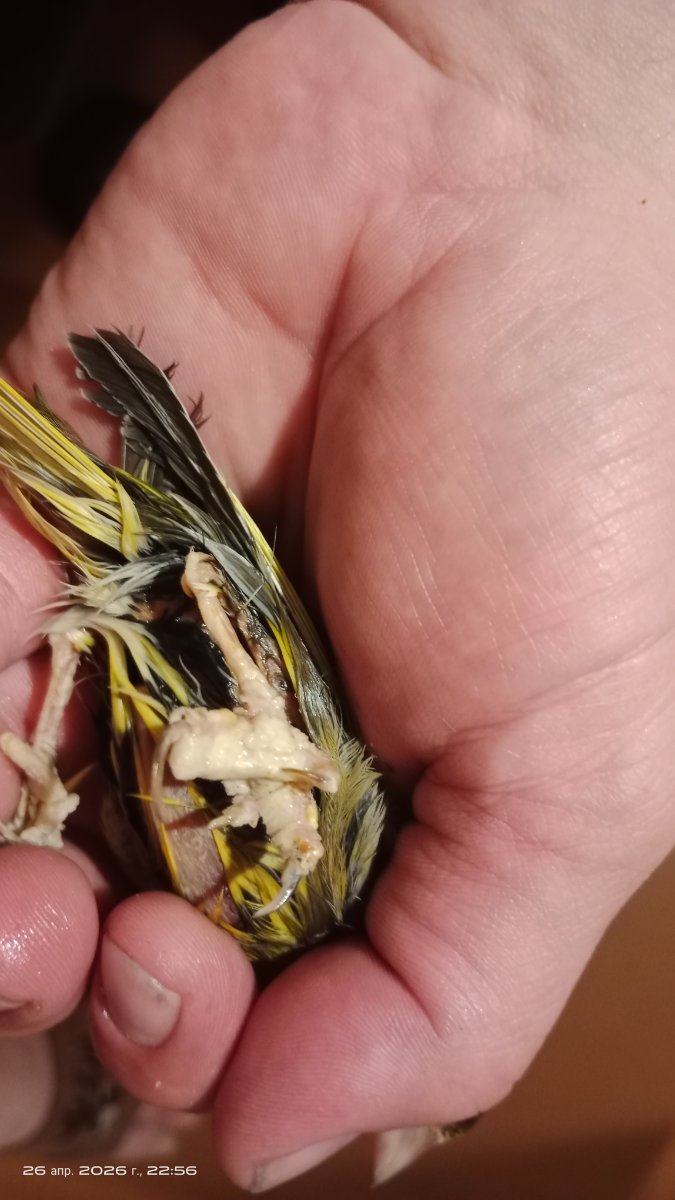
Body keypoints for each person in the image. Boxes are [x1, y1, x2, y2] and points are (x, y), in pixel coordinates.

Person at [2, 0, 675, 1189]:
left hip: (162, 606)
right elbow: (269, 702)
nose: (400, 1122)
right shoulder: (322, 885)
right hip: (187, 591)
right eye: (439, 1120)